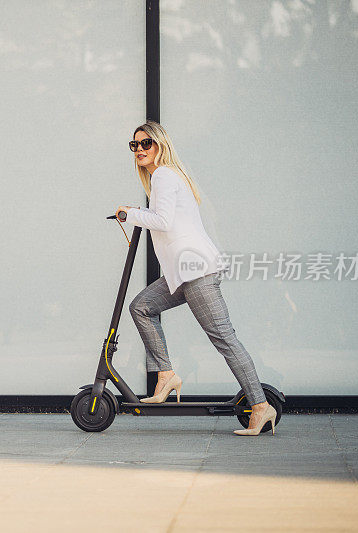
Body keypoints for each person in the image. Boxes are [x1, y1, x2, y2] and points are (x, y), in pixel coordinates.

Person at [116, 120, 277, 436]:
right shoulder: (165, 177)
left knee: (224, 338)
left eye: (146, 143)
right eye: (134, 145)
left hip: (196, 271)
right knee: (142, 307)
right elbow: (167, 218)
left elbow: (162, 221)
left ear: (160, 144)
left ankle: (260, 406)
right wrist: (136, 211)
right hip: (184, 273)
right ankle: (166, 374)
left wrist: (129, 214)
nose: (139, 149)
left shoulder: (163, 174)